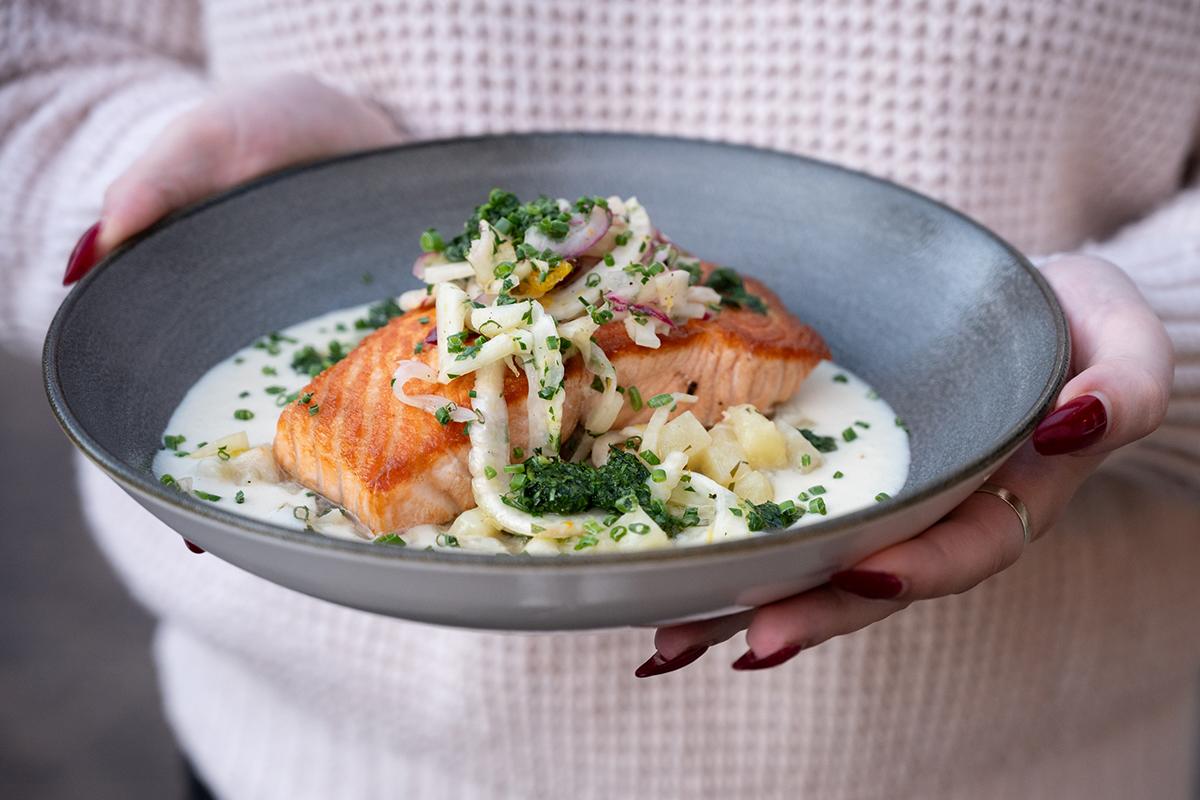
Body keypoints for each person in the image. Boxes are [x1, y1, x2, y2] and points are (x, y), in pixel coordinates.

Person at [3, 1, 1199, 798]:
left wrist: (1126, 326)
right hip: (299, 759)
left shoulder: (731, 329)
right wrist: (179, 226)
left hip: (1029, 760)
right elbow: (34, 59)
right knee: (370, 451)